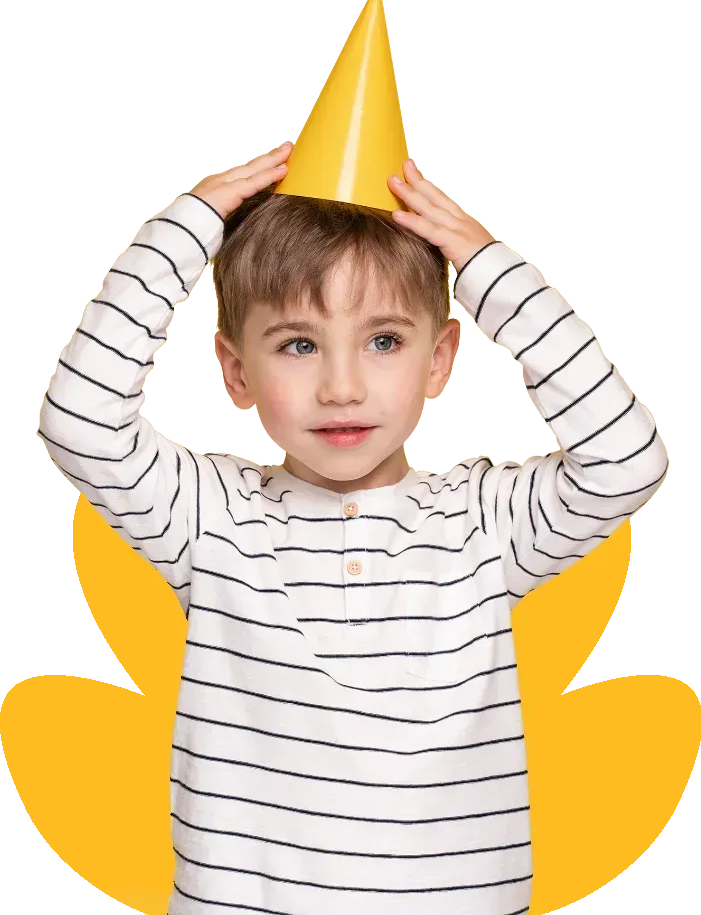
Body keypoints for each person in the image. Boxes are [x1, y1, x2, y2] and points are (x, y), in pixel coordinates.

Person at [37, 141, 668, 914]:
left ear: (439, 359)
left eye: (383, 341)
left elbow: (625, 463)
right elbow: (79, 422)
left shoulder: (482, 523)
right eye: (299, 345)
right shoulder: (209, 517)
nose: (341, 387)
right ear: (236, 371)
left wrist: (492, 275)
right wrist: (185, 229)